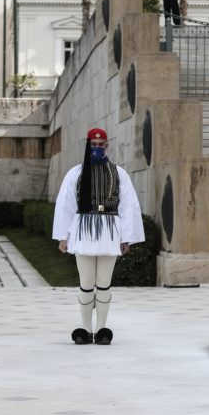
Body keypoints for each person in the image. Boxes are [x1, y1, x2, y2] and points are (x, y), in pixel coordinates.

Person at [52, 128, 145, 345]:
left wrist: (126, 238)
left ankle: (102, 329)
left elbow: (128, 206)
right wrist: (62, 237)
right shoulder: (75, 173)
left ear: (106, 145)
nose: (96, 148)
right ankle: (85, 329)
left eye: (100, 144)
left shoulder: (119, 173)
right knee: (86, 283)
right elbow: (65, 205)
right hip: (83, 231)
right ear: (87, 145)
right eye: (93, 145)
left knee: (103, 284)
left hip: (109, 233)